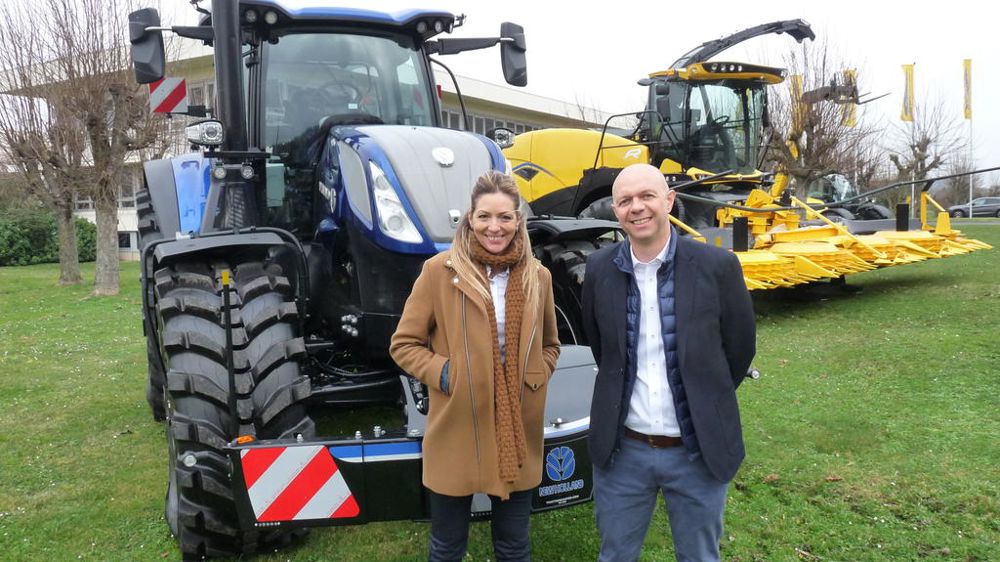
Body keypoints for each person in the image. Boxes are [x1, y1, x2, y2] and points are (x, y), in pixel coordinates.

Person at [581, 163, 756, 562]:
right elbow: (603, 350)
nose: (636, 208)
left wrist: (704, 396)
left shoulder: (718, 267)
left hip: (697, 451)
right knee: (615, 556)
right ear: (615, 210)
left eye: (646, 196)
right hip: (623, 453)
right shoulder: (599, 269)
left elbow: (740, 348)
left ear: (669, 201)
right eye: (625, 201)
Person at [390, 170, 560, 562]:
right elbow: (404, 344)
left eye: (504, 217)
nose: (494, 227)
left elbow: (551, 345)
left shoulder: (538, 276)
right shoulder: (440, 271)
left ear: (518, 220)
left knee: (514, 546)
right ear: (470, 217)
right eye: (485, 216)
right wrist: (449, 375)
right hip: (457, 427)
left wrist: (536, 375)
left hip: (517, 429)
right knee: (448, 547)